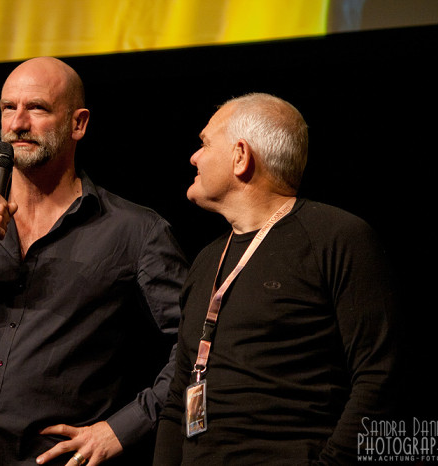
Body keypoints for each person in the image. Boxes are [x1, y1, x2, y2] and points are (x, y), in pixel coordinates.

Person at [0, 57, 188, 466]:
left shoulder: (134, 231)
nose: (17, 123)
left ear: (79, 124)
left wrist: (122, 428)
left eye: (36, 108)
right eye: (8, 108)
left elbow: (198, 347)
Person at [154, 93, 399, 464]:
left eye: (204, 143)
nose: (194, 156)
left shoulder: (337, 238)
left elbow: (380, 380)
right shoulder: (206, 261)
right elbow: (178, 399)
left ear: (240, 156)